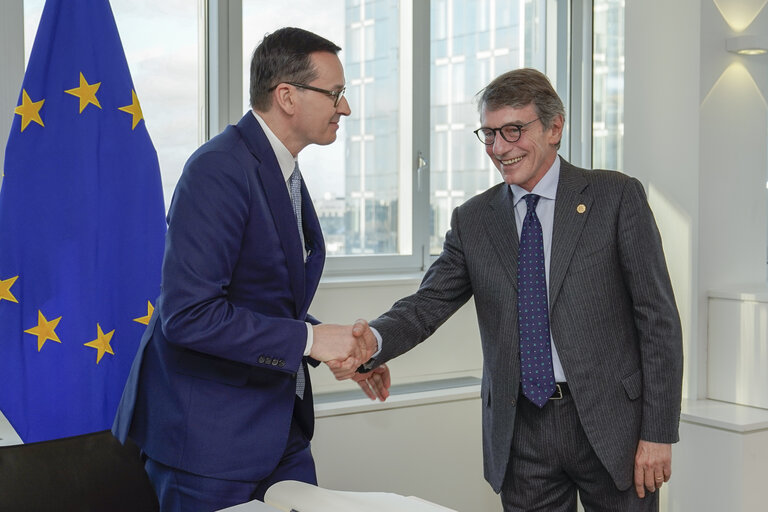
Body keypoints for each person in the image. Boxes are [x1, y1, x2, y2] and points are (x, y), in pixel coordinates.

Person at [340, 68, 683, 511]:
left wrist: (657, 431)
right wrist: (373, 342)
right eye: (490, 134)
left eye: (514, 131)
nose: (500, 148)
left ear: (555, 127)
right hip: (522, 431)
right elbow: (428, 303)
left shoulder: (616, 197)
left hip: (613, 424)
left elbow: (658, 321)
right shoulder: (474, 220)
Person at [112, 27, 382, 511]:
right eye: (335, 93)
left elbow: (261, 302)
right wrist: (310, 341)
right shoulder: (217, 170)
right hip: (209, 446)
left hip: (278, 433)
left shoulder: (282, 169)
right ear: (287, 97)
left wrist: (340, 348)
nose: (345, 108)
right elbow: (190, 315)